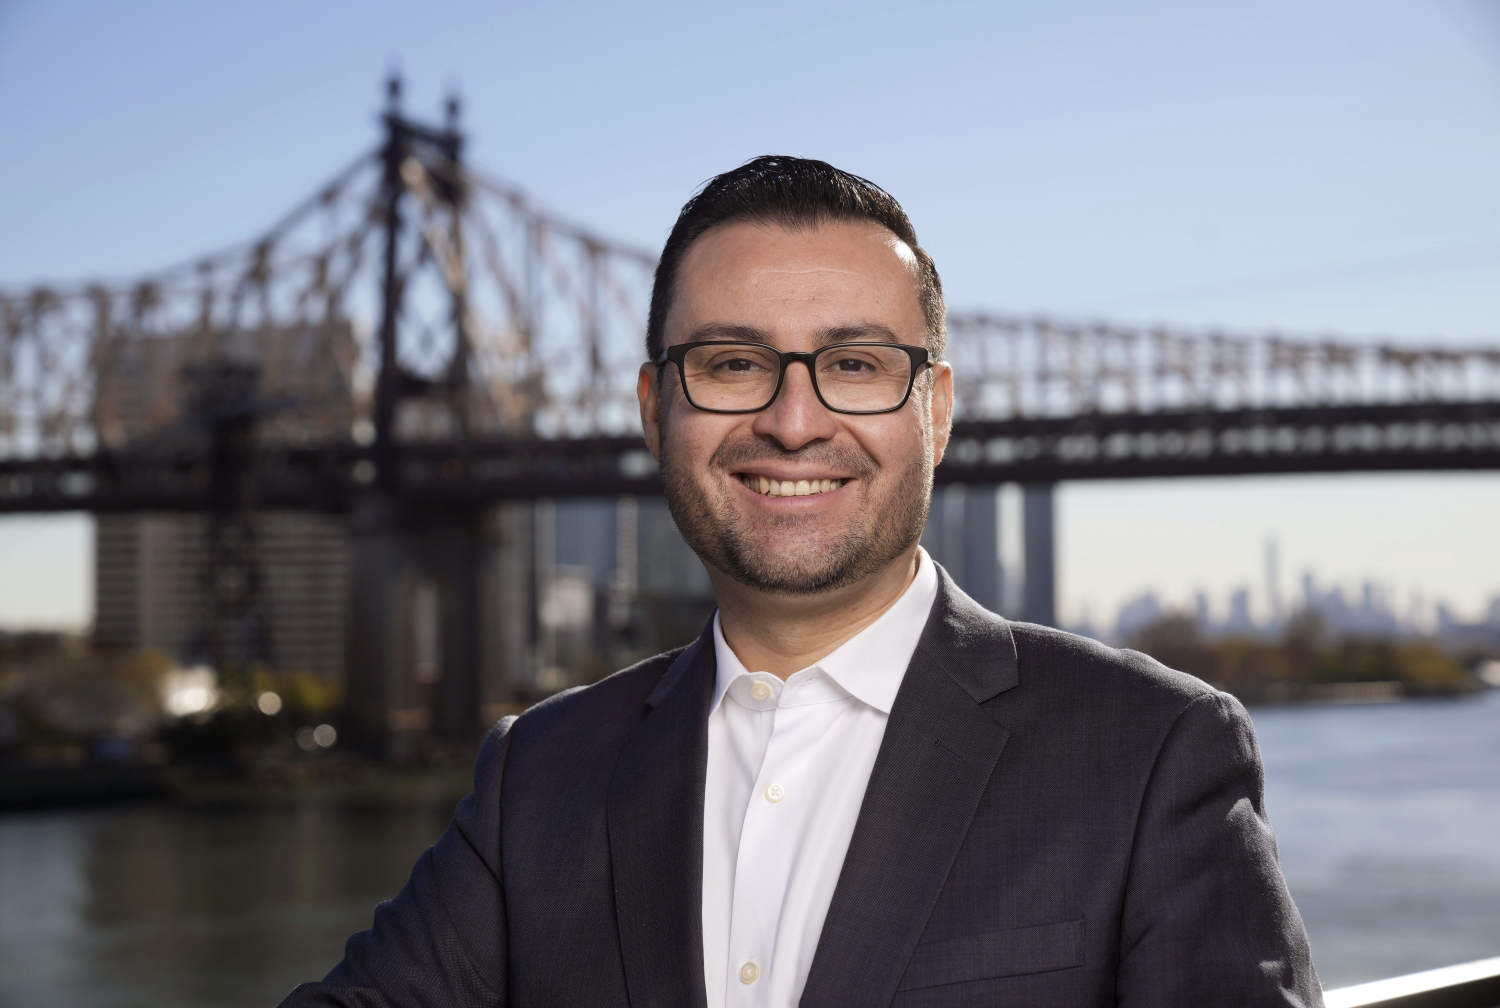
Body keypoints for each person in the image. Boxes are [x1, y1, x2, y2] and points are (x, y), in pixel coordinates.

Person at [281, 156, 1321, 1007]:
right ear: (655, 410)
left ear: (938, 410)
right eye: (732, 363)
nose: (792, 419)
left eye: (857, 365)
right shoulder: (537, 776)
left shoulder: (1151, 755)